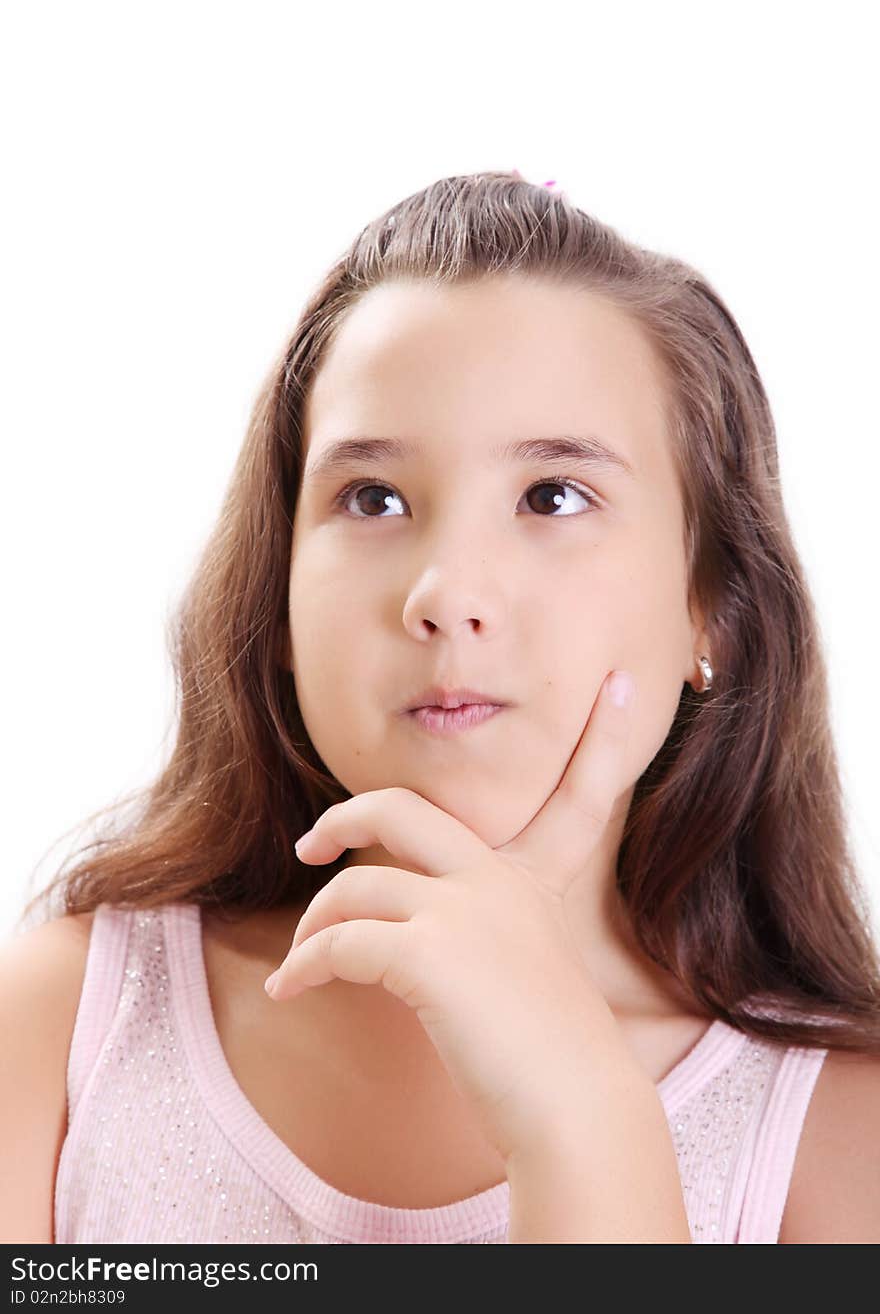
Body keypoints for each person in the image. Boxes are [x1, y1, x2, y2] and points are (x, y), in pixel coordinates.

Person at [3, 170, 879, 1245]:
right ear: (276, 602)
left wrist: (584, 1123)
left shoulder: (836, 1130)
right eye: (371, 498)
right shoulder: (64, 1031)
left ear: (713, 607)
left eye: (553, 496)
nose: (445, 595)